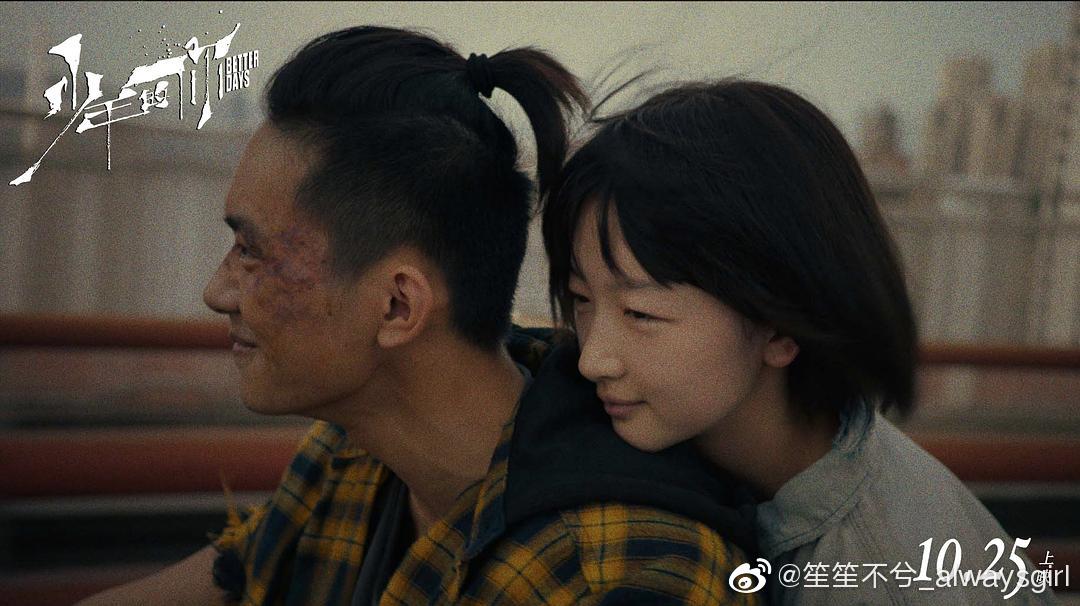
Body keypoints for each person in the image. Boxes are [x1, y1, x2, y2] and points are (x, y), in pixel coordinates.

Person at [78, 28, 760, 605]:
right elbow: (234, 576)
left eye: (251, 251)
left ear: (398, 305)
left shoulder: (625, 574)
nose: (217, 291)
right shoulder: (348, 457)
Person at [541, 79, 1059, 604]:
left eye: (640, 312)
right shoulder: (779, 458)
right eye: (582, 299)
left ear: (780, 324)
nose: (592, 359)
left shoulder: (869, 577)